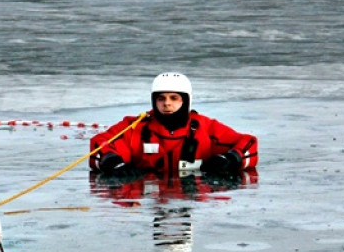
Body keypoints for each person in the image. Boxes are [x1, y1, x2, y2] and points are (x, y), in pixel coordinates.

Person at [89, 72, 258, 177]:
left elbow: (248, 143)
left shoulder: (205, 128)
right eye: (161, 98)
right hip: (147, 193)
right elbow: (100, 143)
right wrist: (111, 161)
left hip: (193, 193)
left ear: (186, 100)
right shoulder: (136, 128)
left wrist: (230, 159)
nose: (167, 104)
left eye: (174, 98)